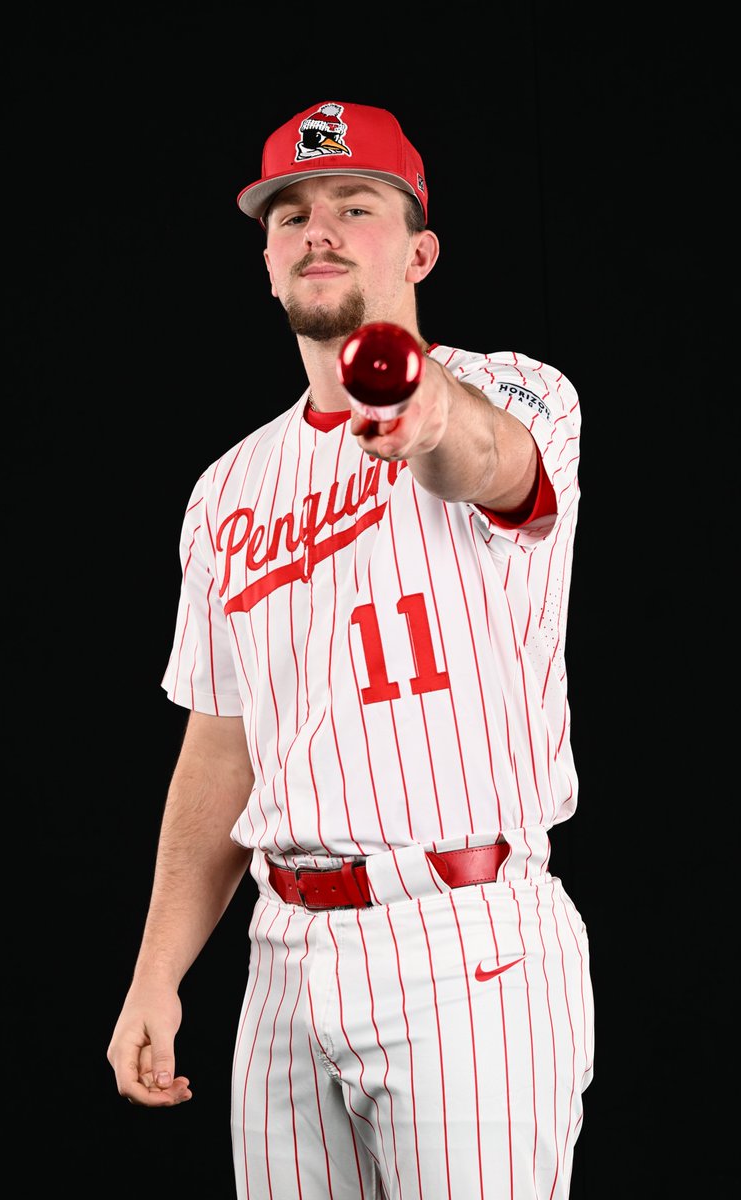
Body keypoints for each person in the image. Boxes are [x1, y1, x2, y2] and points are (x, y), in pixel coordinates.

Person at [107, 99, 595, 1199]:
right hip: (283, 956)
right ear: (268, 262)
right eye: (290, 213)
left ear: (418, 248)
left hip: (465, 944)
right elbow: (222, 746)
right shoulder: (227, 489)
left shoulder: (516, 389)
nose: (316, 228)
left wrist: (426, 417)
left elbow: (490, 462)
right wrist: (157, 975)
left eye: (354, 204)